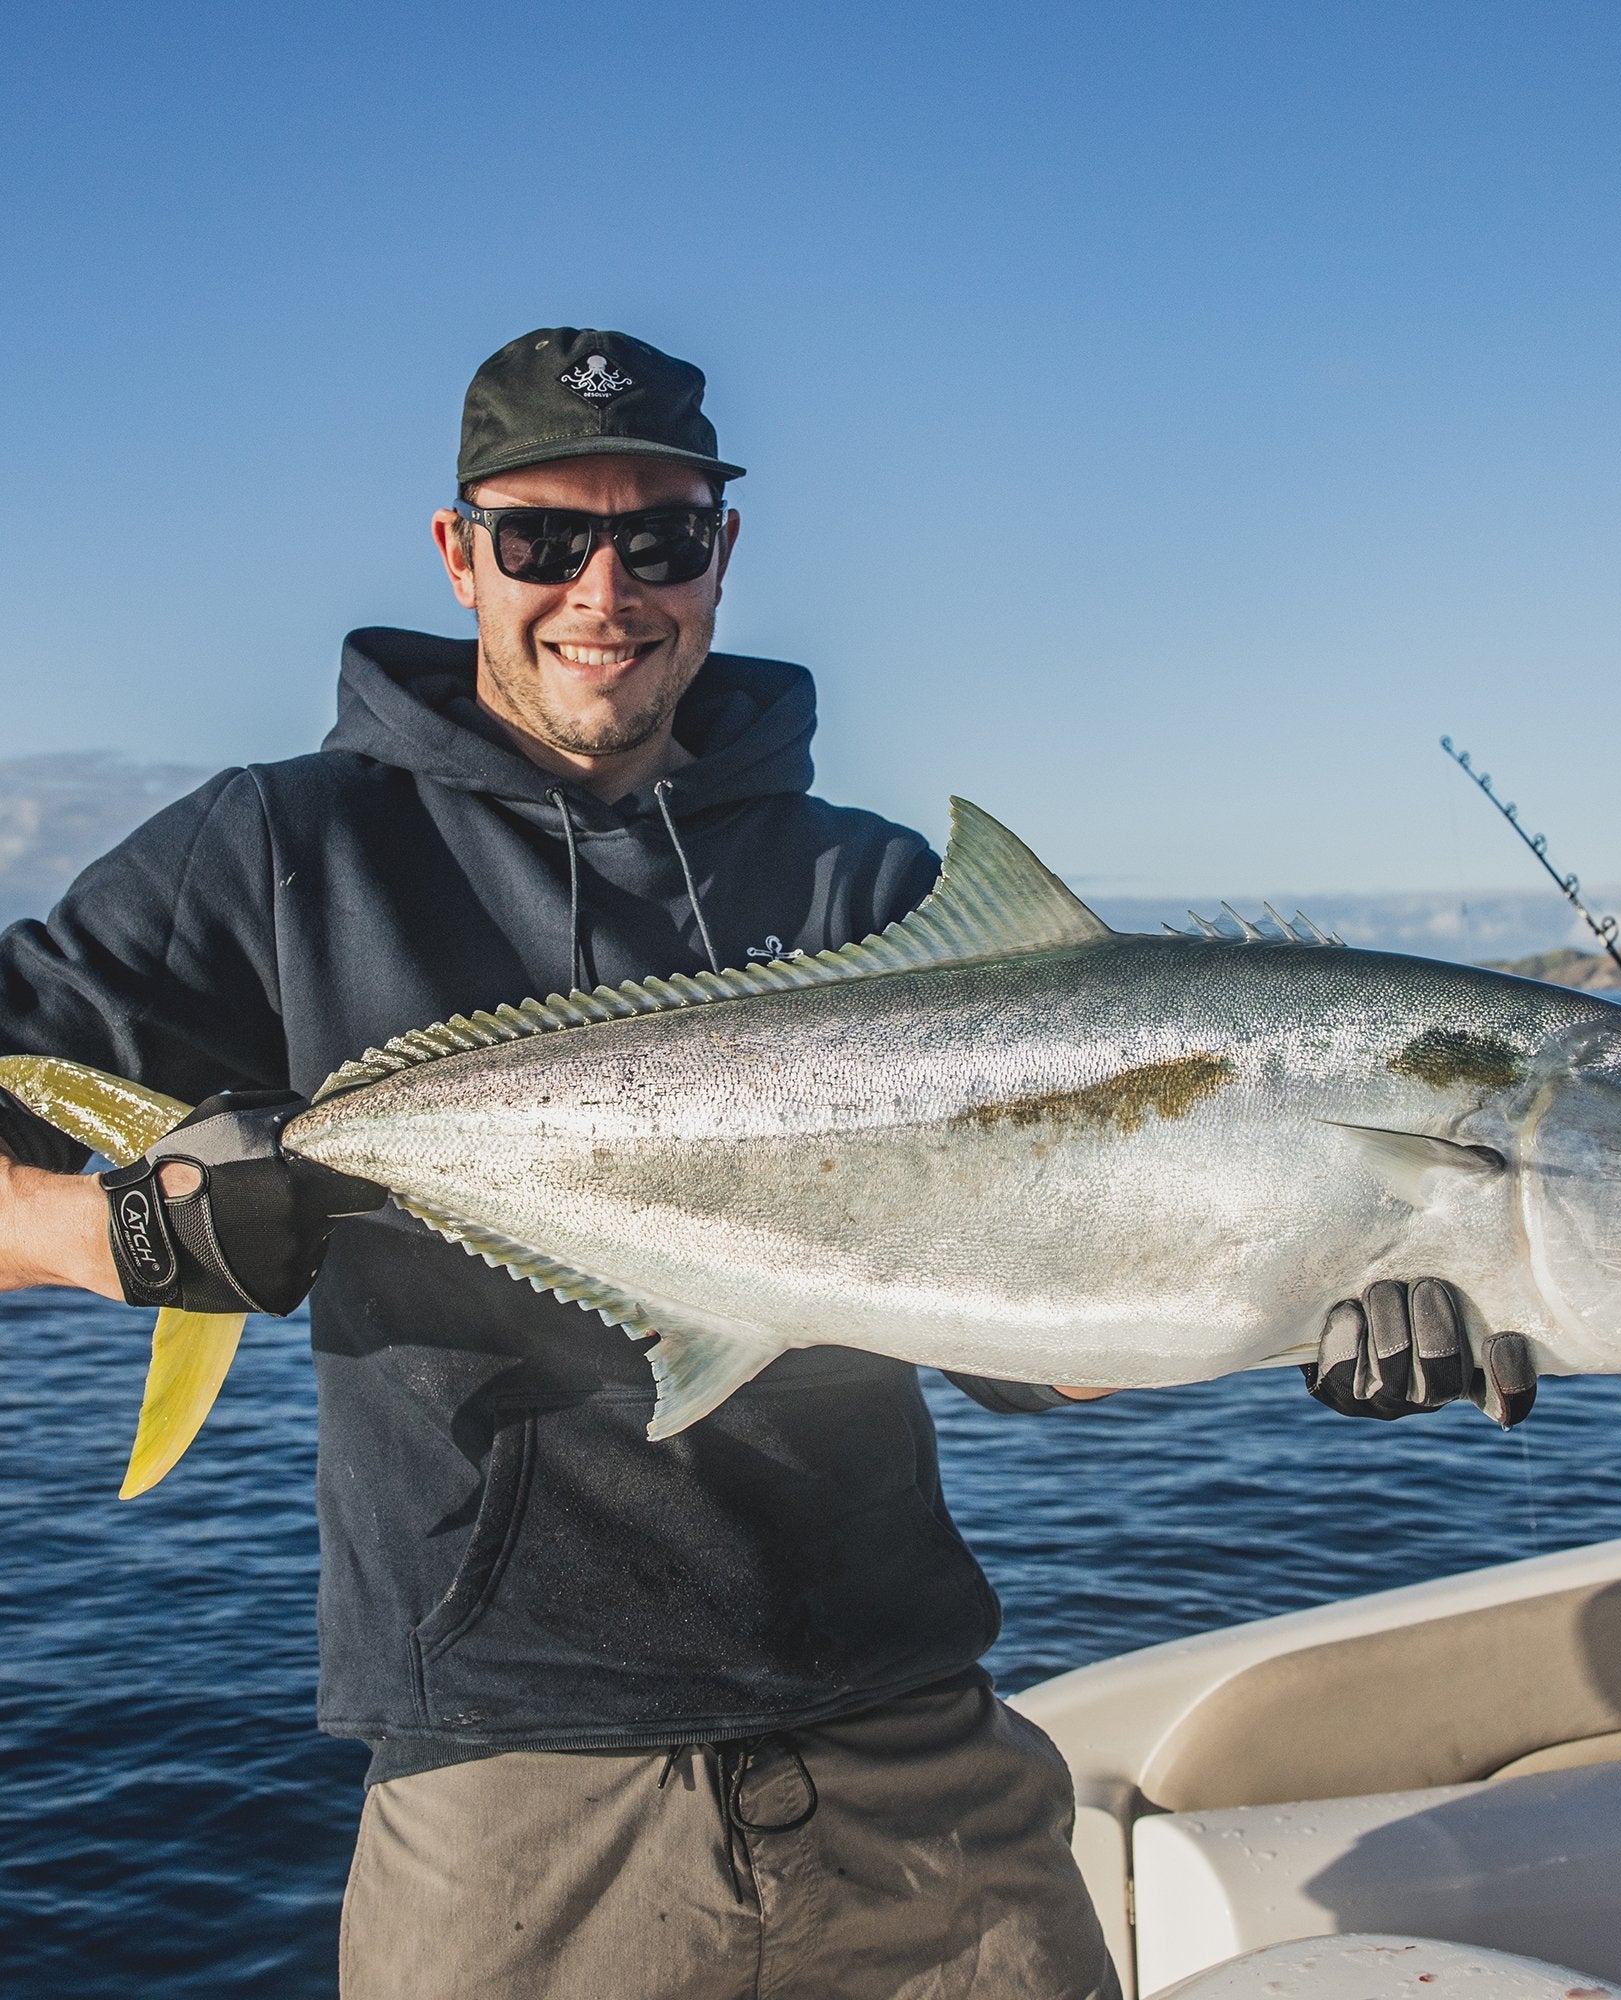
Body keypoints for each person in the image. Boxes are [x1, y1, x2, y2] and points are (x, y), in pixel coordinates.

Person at [0, 327, 1526, 1999]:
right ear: (459, 554)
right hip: (516, 1795)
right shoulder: (286, 853)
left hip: (919, 1766)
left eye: (656, 537)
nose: (602, 587)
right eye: (543, 539)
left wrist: (1312, 1289)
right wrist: (109, 1236)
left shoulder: (870, 890)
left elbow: (1048, 1355)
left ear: (721, 554)